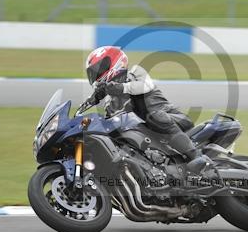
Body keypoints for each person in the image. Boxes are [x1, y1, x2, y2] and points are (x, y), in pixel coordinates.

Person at [84, 46, 212, 177]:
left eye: (99, 69)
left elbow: (145, 86)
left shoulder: (135, 73)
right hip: (149, 132)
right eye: (93, 72)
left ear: (115, 63)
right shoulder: (110, 100)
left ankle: (196, 156)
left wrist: (119, 87)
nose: (96, 75)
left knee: (155, 117)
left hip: (172, 117)